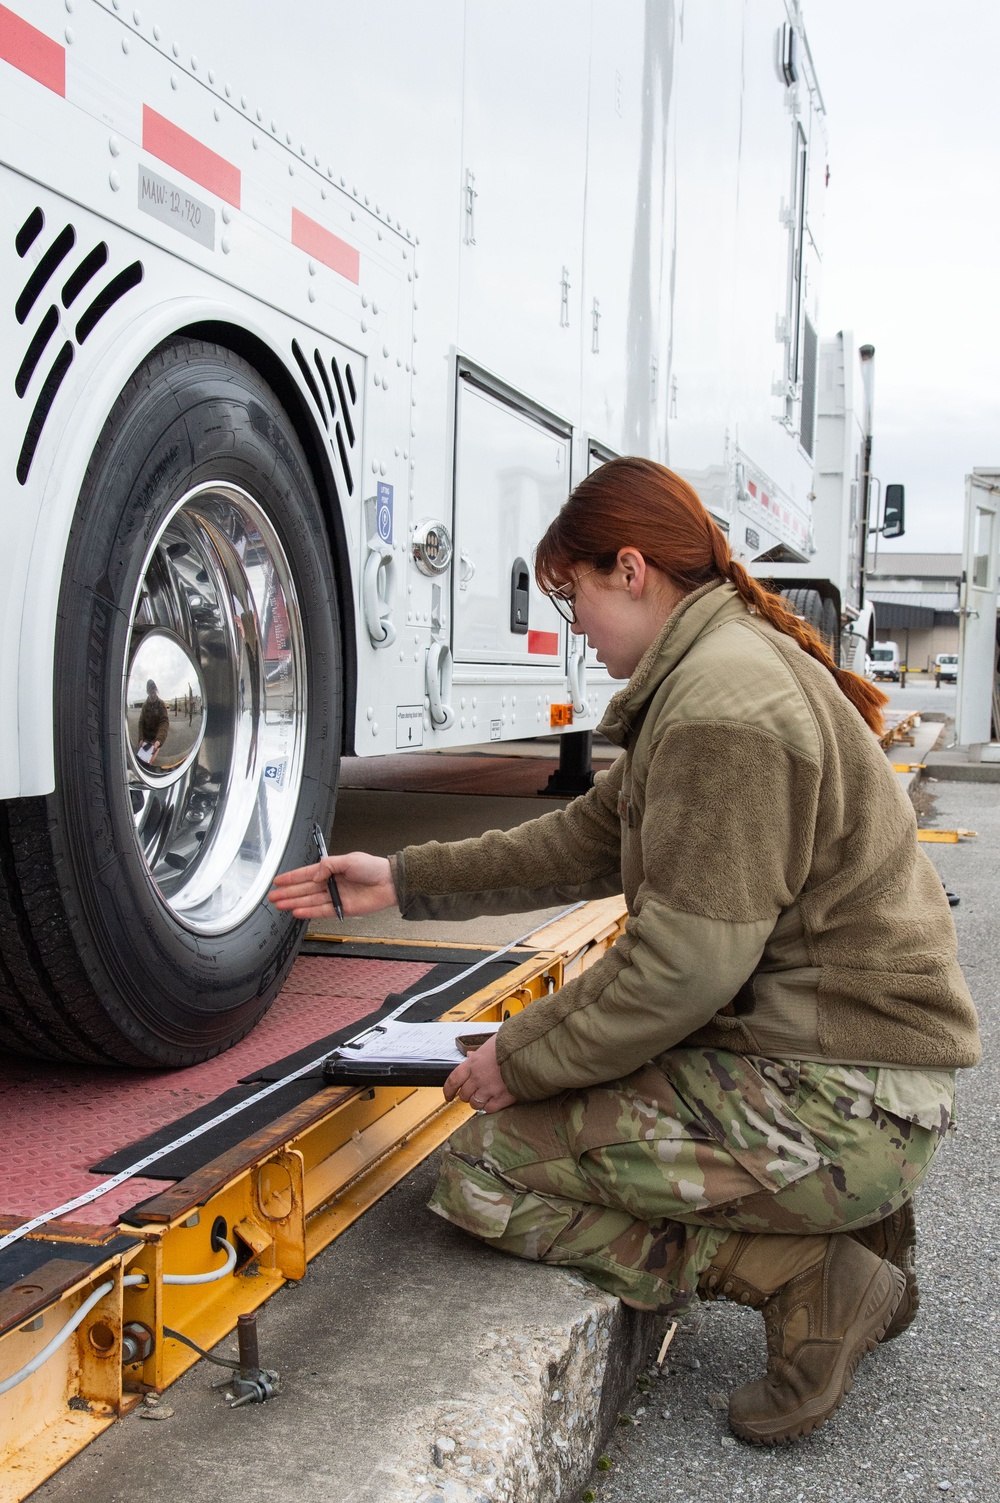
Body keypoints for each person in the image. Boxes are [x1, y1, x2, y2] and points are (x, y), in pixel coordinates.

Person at [270, 458, 979, 1446]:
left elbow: (682, 969)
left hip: (834, 1099)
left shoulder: (721, 707)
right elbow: (584, 842)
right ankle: (854, 1227)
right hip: (857, 1082)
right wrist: (401, 879)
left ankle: (811, 1277)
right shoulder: (722, 670)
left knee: (482, 1171)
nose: (577, 629)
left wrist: (517, 1058)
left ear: (632, 569)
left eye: (574, 599)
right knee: (566, 1100)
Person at [138, 679, 169, 766]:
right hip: (146, 739)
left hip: (155, 739)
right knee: (140, 760)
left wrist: (159, 740)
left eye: (154, 692)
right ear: (147, 692)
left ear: (156, 691)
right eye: (151, 693)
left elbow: (164, 722)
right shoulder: (145, 706)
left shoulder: (161, 704)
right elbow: (141, 722)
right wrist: (140, 738)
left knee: (150, 762)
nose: (153, 695)